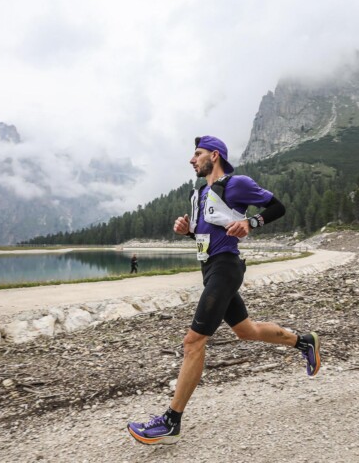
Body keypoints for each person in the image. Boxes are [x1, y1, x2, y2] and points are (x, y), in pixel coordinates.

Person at [127, 135, 320, 445]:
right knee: (247, 331)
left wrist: (251, 223)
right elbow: (208, 235)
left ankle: (171, 421)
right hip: (211, 269)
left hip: (226, 268)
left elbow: (278, 207)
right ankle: (304, 342)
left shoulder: (236, 184)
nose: (192, 160)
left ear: (214, 156)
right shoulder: (202, 193)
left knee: (193, 341)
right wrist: (188, 232)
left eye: (198, 154)